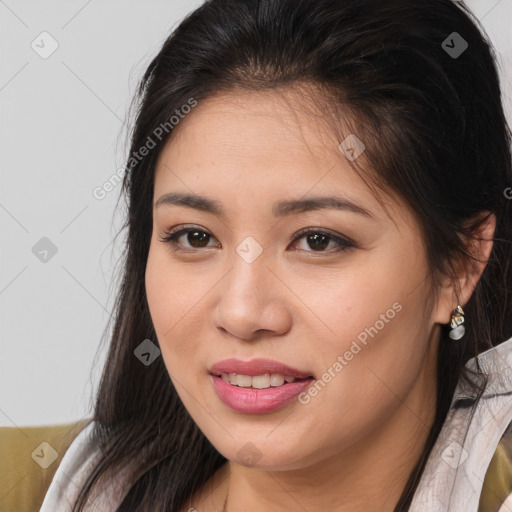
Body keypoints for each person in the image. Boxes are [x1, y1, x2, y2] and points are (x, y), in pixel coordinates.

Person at [40, 0, 512, 510]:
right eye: (196, 237)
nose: (241, 313)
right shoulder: (28, 481)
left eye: (317, 240)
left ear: (460, 264)